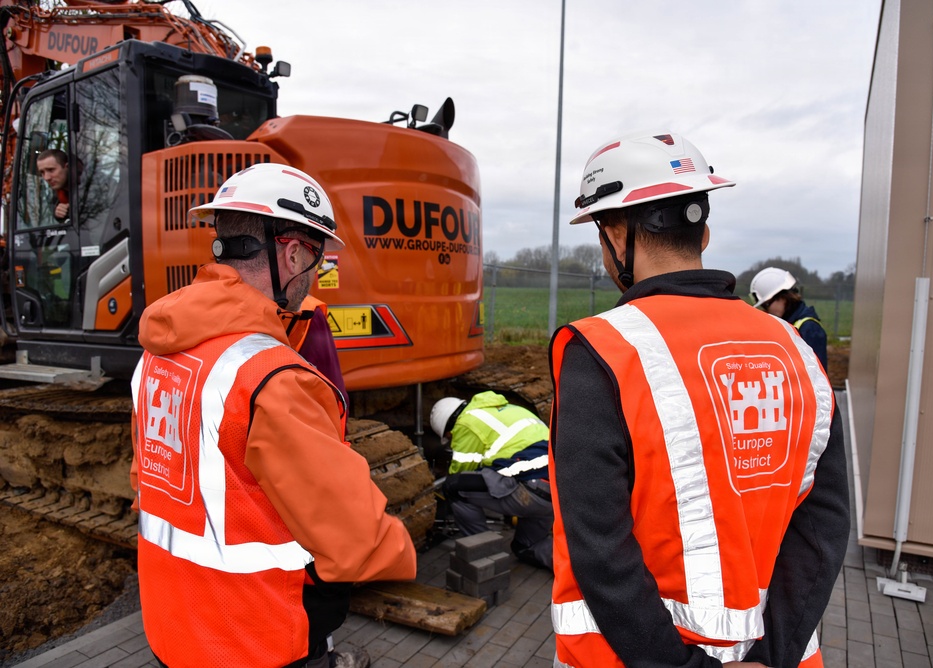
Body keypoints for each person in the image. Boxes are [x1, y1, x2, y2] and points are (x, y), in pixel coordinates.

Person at [547, 130, 850, 668]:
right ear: (703, 232)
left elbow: (599, 548)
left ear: (617, 234)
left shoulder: (601, 352)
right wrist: (770, 655)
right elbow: (823, 528)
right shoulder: (797, 352)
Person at [130, 163, 416, 668]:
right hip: (252, 633)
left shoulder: (159, 353)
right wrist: (402, 549)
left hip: (173, 623)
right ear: (291, 252)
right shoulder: (270, 375)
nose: (315, 277)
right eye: (318, 260)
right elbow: (354, 540)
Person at [430, 390, 554, 570]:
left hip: (530, 489)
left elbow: (462, 472)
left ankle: (484, 556)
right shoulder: (505, 409)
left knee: (454, 487)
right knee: (525, 547)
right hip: (559, 493)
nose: (452, 440)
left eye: (450, 437)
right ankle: (585, 567)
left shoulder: (465, 422)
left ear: (449, 428)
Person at [750, 267, 829, 371]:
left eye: (766, 305)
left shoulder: (809, 328)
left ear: (782, 297)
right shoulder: (788, 323)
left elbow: (817, 375)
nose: (767, 311)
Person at [36, 148, 70, 221]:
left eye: (51, 170)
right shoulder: (53, 200)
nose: (46, 177)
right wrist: (58, 214)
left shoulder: (91, 189)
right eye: (42, 172)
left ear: (67, 167)